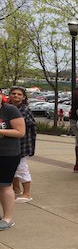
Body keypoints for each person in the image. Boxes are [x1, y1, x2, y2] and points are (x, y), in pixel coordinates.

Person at [0, 93, 25, 230]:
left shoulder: (9, 110)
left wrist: (1, 132)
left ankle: (7, 219)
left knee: (4, 185)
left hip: (7, 154)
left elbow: (20, 132)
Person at [8, 87, 36, 203]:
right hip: (10, 143)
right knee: (12, 168)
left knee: (21, 168)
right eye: (13, 93)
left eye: (19, 94)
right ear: (9, 95)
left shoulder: (24, 110)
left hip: (22, 144)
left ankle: (27, 193)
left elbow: (20, 127)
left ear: (24, 97)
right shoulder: (9, 108)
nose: (16, 96)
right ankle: (16, 190)